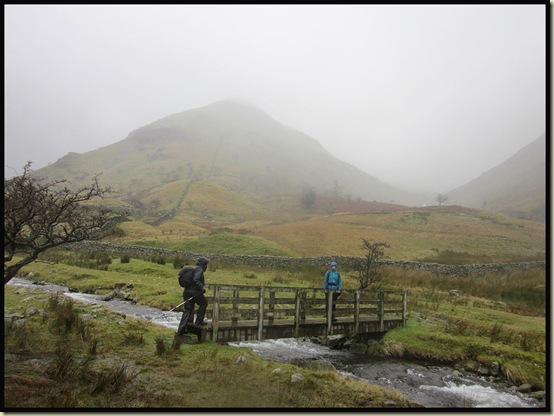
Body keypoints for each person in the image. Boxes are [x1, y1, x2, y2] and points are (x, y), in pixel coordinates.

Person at [176, 256, 210, 335]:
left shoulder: (194, 269)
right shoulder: (199, 269)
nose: (206, 267)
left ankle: (181, 329)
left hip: (186, 292)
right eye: (206, 265)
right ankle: (199, 321)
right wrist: (201, 287)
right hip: (195, 292)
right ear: (203, 265)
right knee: (204, 303)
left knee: (188, 309)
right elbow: (196, 279)